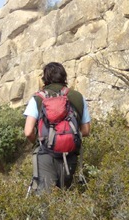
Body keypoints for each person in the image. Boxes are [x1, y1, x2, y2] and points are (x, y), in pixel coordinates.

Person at [23, 62, 91, 194]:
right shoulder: (78, 97)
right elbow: (86, 131)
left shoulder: (38, 99)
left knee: (45, 200)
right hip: (70, 155)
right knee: (64, 195)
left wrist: (39, 141)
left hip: (46, 156)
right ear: (64, 77)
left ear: (45, 78)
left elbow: (28, 131)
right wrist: (67, 136)